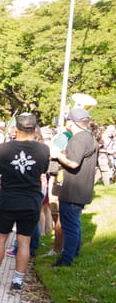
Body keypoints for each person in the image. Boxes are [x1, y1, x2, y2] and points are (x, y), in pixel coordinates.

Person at [0, 114, 49, 290]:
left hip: (8, 199)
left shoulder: (3, 149)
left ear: (16, 129)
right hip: (30, 200)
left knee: (1, 238)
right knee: (24, 241)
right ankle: (17, 281)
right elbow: (42, 170)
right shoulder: (44, 150)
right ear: (34, 129)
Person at [50, 108, 99, 267]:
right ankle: (73, 253)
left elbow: (73, 163)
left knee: (69, 226)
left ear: (71, 122)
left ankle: (66, 260)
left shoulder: (78, 138)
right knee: (74, 224)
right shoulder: (89, 137)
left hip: (73, 190)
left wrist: (57, 155)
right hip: (82, 189)